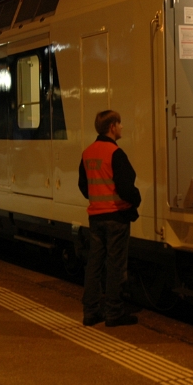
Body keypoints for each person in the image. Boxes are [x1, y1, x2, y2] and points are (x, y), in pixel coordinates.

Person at [78, 110, 141, 327]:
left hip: (95, 218)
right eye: (120, 123)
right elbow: (126, 187)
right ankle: (114, 312)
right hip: (116, 217)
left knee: (94, 264)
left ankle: (90, 312)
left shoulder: (88, 152)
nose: (122, 127)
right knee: (115, 265)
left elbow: (83, 185)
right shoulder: (115, 153)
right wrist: (136, 199)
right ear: (112, 127)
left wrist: (96, 198)